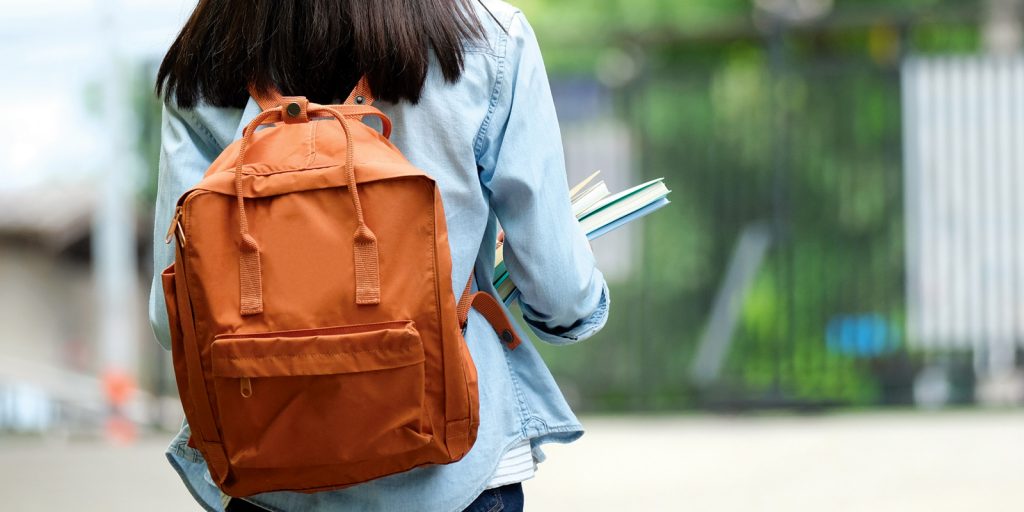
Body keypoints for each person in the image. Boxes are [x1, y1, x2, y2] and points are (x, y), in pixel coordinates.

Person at [149, 1, 610, 510]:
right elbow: (559, 290)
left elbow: (173, 323)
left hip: (267, 478)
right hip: (454, 476)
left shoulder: (206, 50)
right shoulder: (487, 36)